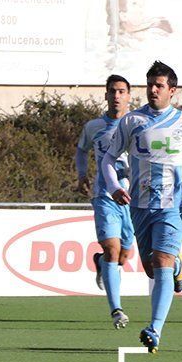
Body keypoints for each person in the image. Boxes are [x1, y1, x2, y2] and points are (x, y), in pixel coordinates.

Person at [101, 61, 182, 353]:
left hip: (174, 205)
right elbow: (107, 159)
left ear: (172, 91)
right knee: (153, 269)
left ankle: (154, 329)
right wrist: (115, 187)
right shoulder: (132, 122)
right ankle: (179, 268)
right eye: (150, 85)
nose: (153, 90)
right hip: (140, 206)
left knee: (161, 261)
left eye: (159, 86)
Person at [75, 74, 134, 329]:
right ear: (106, 95)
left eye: (122, 91)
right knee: (112, 248)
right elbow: (81, 149)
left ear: (129, 96)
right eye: (113, 91)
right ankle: (116, 310)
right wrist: (81, 176)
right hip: (105, 196)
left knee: (124, 254)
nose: (117, 96)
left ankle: (100, 263)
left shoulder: (139, 123)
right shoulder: (94, 126)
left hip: (136, 198)